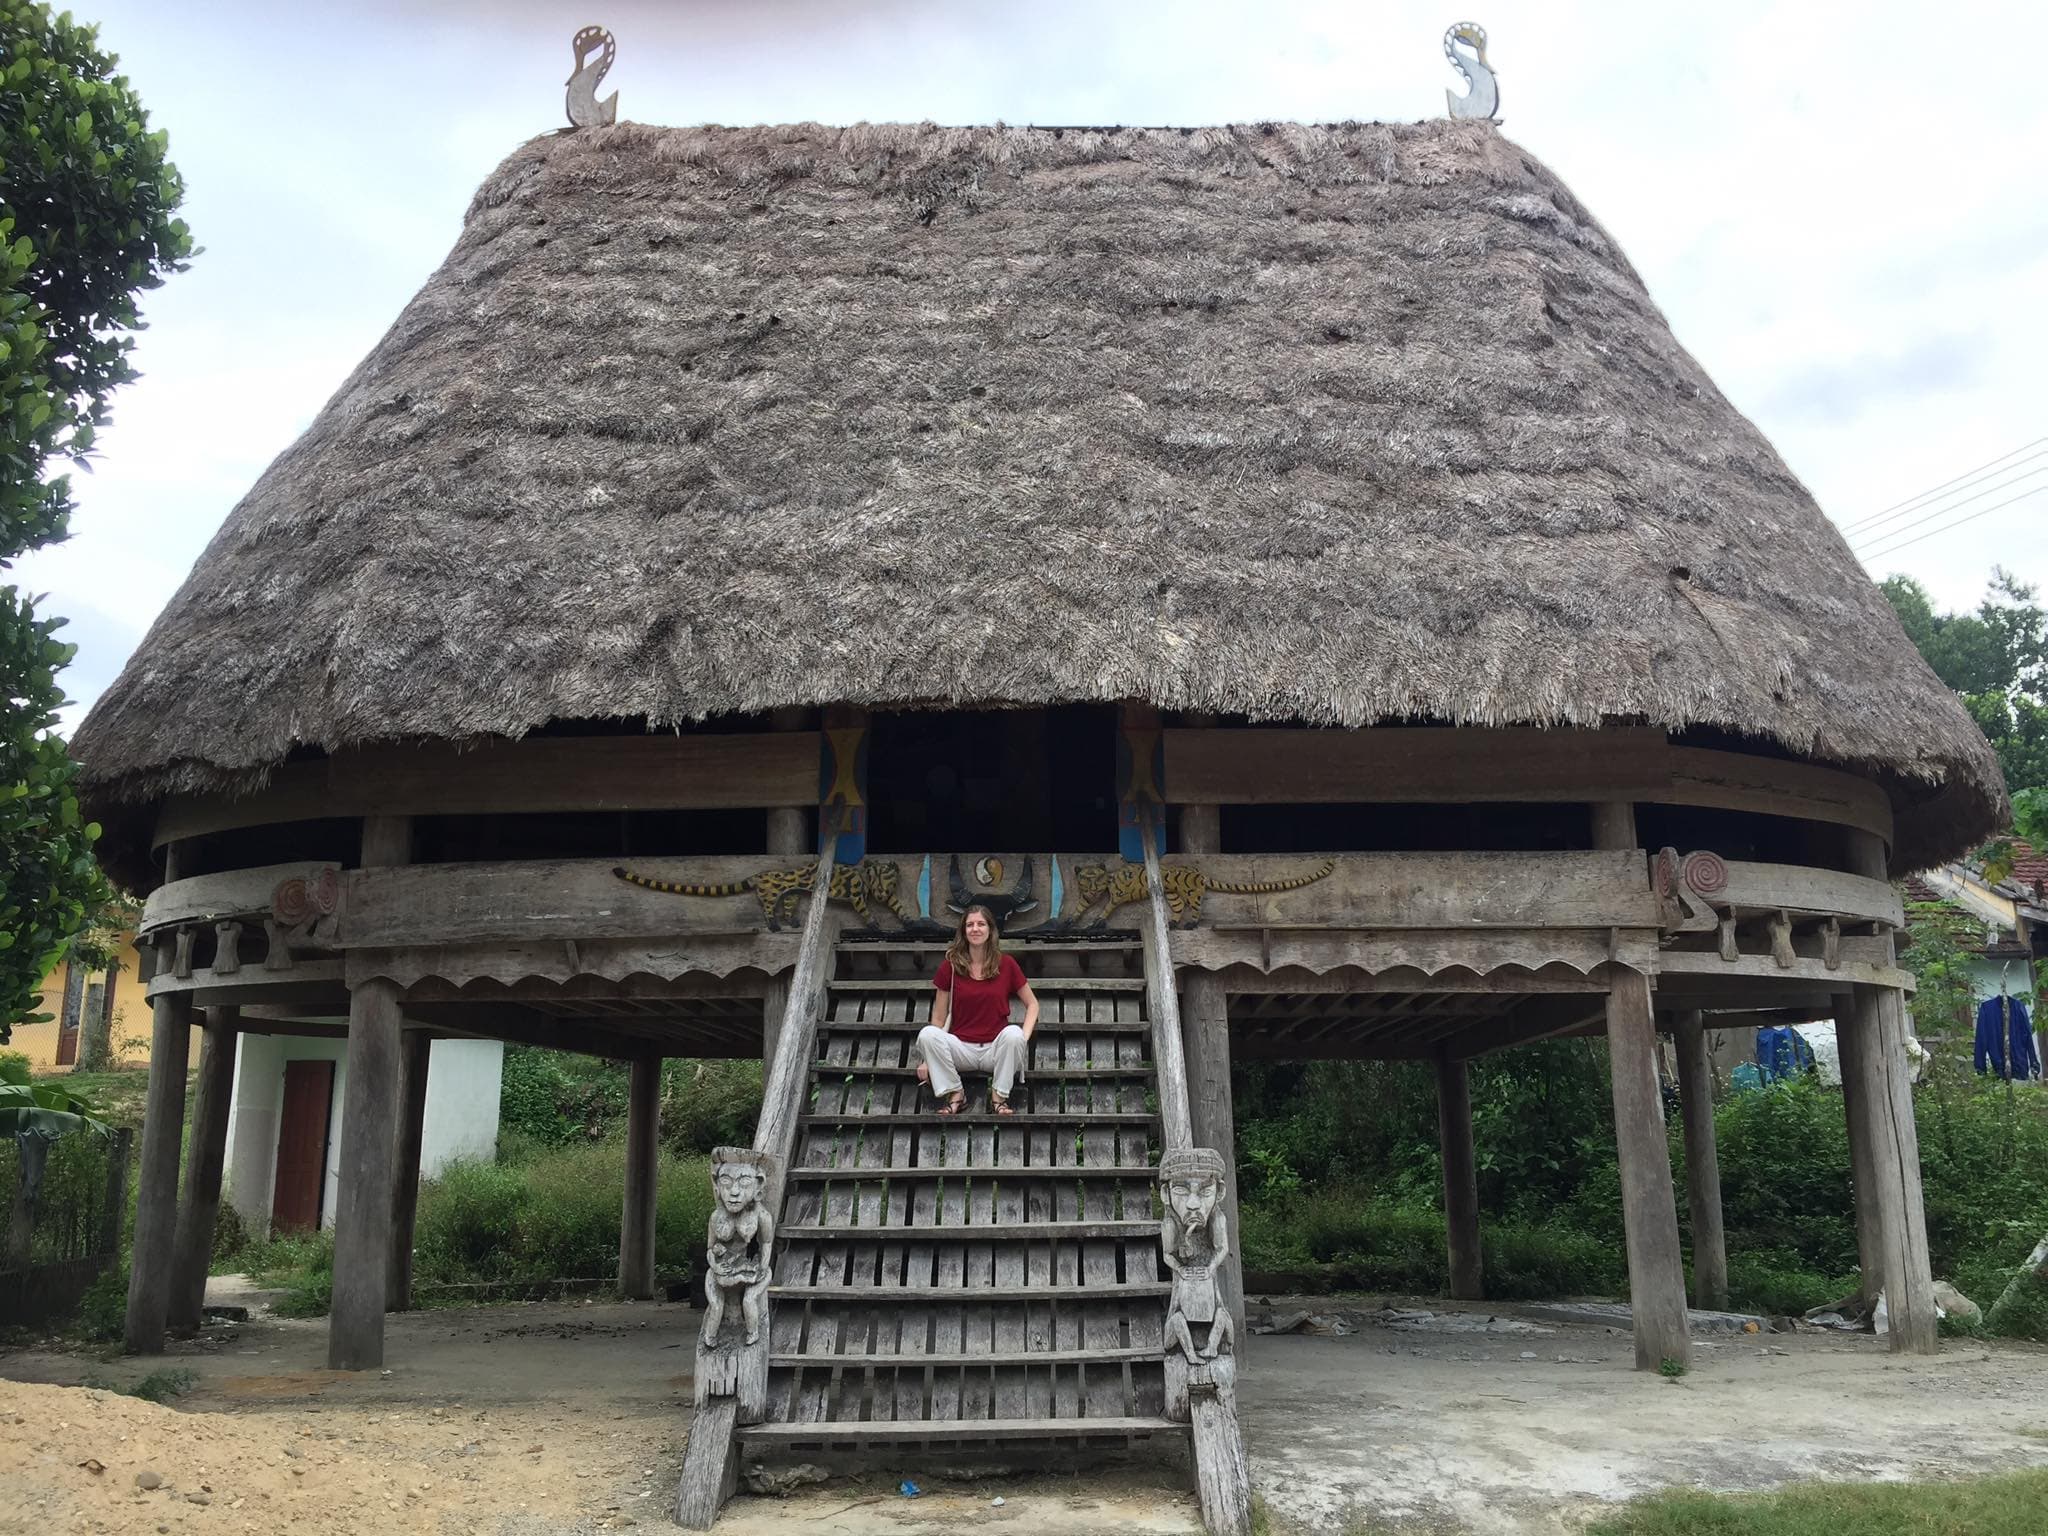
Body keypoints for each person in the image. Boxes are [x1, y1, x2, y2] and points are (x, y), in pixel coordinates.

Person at [915, 902, 1039, 1115]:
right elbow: (939, 1017)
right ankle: (956, 1094)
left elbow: (1033, 1004)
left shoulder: (1006, 964)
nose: (975, 929)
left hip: (995, 1051)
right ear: (963, 931)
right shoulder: (951, 966)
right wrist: (927, 1060)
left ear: (990, 930)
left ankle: (999, 1098)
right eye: (970, 924)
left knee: (1013, 1033)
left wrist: (1022, 1040)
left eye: (981, 924)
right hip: (961, 1049)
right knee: (927, 1034)